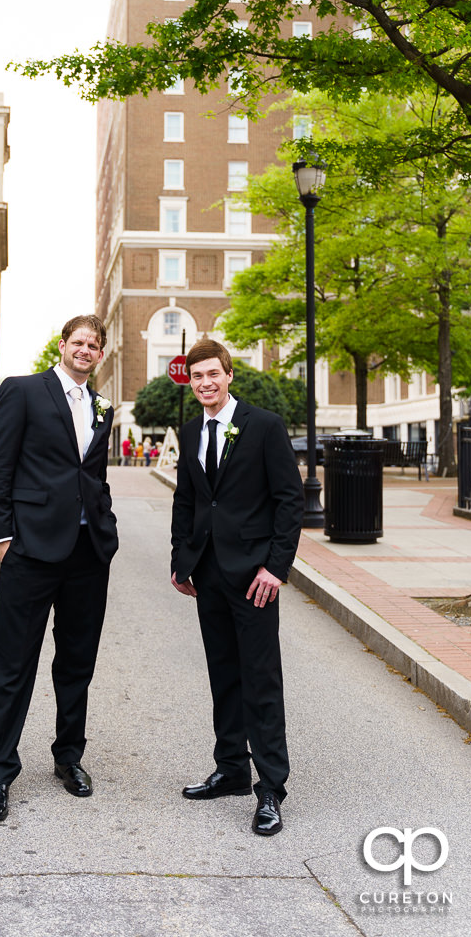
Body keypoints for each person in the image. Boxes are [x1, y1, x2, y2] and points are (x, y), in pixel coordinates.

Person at [0, 314, 118, 823]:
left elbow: (94, 474)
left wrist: (107, 524)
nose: (85, 350)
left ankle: (69, 758)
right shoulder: (23, 390)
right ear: (62, 346)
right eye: (78, 341)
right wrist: (2, 536)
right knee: (14, 664)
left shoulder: (102, 406)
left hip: (88, 552)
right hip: (30, 549)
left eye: (93, 345)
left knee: (77, 663)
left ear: (99, 354)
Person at [170, 338, 303, 836]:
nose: (205, 382)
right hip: (207, 574)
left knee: (261, 680)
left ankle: (270, 788)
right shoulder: (190, 431)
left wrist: (276, 567)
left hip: (255, 577)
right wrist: (181, 561)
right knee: (223, 675)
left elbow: (289, 501)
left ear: (229, 376)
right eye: (196, 376)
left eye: (213, 374)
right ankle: (230, 769)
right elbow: (188, 501)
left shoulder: (264, 426)